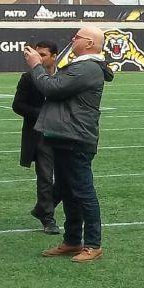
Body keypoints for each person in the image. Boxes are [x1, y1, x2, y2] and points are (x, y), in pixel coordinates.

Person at [23, 26, 114, 263]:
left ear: (89, 43)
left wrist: (36, 65)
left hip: (76, 137)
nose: (73, 39)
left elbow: (51, 88)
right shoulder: (82, 66)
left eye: (78, 37)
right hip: (65, 136)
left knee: (83, 193)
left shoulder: (87, 67)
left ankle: (93, 244)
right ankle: (73, 240)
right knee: (69, 192)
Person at [12, 40, 61, 235]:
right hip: (40, 135)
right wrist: (43, 114)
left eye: (43, 55)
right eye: (37, 54)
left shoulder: (66, 76)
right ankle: (48, 218)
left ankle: (42, 208)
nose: (38, 58)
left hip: (65, 133)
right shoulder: (28, 78)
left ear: (54, 56)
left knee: (68, 178)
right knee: (45, 177)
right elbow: (17, 105)